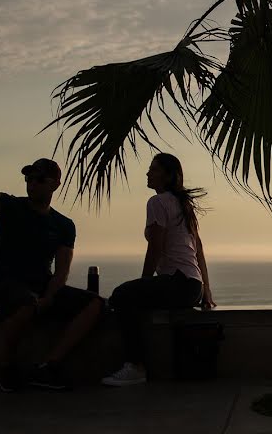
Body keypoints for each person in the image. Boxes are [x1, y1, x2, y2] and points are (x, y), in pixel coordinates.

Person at [0, 145, 104, 392]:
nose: (31, 183)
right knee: (28, 304)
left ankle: (49, 366)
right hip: (9, 285)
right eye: (28, 178)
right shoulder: (10, 207)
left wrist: (49, 297)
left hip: (42, 287)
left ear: (55, 184)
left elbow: (62, 270)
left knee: (96, 304)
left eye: (38, 179)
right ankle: (3, 367)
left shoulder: (63, 225)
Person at [102, 153, 216, 386]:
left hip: (177, 284)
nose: (148, 173)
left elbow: (155, 247)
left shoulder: (158, 202)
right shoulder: (183, 205)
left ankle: (135, 366)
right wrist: (206, 291)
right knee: (132, 300)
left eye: (153, 169)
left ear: (167, 175)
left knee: (121, 296)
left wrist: (143, 282)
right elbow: (199, 250)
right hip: (192, 287)